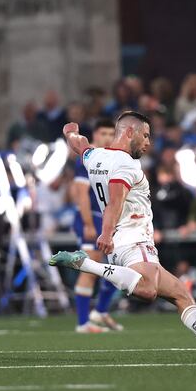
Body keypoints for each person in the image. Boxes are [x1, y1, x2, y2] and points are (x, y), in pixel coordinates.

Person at [49, 111, 196, 360]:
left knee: (180, 293)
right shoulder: (126, 164)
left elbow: (80, 145)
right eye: (145, 135)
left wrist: (70, 132)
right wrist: (106, 234)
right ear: (129, 132)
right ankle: (85, 263)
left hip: (128, 244)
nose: (148, 142)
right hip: (133, 241)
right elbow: (115, 201)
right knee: (147, 291)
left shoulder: (95, 157)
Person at [70, 118, 123, 333]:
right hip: (90, 218)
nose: (108, 138)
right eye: (104, 133)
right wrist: (88, 223)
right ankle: (83, 323)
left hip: (107, 220)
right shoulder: (88, 157)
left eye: (112, 134)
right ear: (95, 135)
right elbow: (80, 193)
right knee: (90, 268)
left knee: (118, 265)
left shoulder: (114, 158)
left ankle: (100, 311)